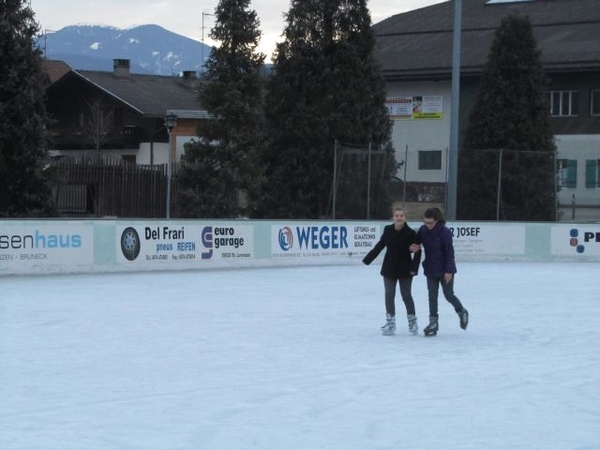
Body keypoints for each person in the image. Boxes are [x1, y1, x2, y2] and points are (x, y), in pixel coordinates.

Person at [362, 206, 422, 335]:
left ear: (405, 217)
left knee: (406, 295)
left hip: (405, 268)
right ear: (393, 217)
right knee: (389, 295)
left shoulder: (411, 233)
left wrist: (414, 269)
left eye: (401, 215)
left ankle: (412, 322)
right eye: (397, 215)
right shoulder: (388, 230)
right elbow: (380, 245)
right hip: (389, 268)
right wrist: (368, 259)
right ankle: (390, 323)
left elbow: (417, 251)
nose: (399, 218)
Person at [410, 207, 468, 336]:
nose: (427, 225)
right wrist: (413, 247)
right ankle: (433, 322)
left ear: (436, 221)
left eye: (430, 222)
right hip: (430, 269)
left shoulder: (445, 232)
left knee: (448, 295)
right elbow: (416, 243)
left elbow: (449, 253)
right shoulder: (423, 230)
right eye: (425, 222)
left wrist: (449, 271)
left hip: (445, 270)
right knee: (432, 297)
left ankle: (461, 311)